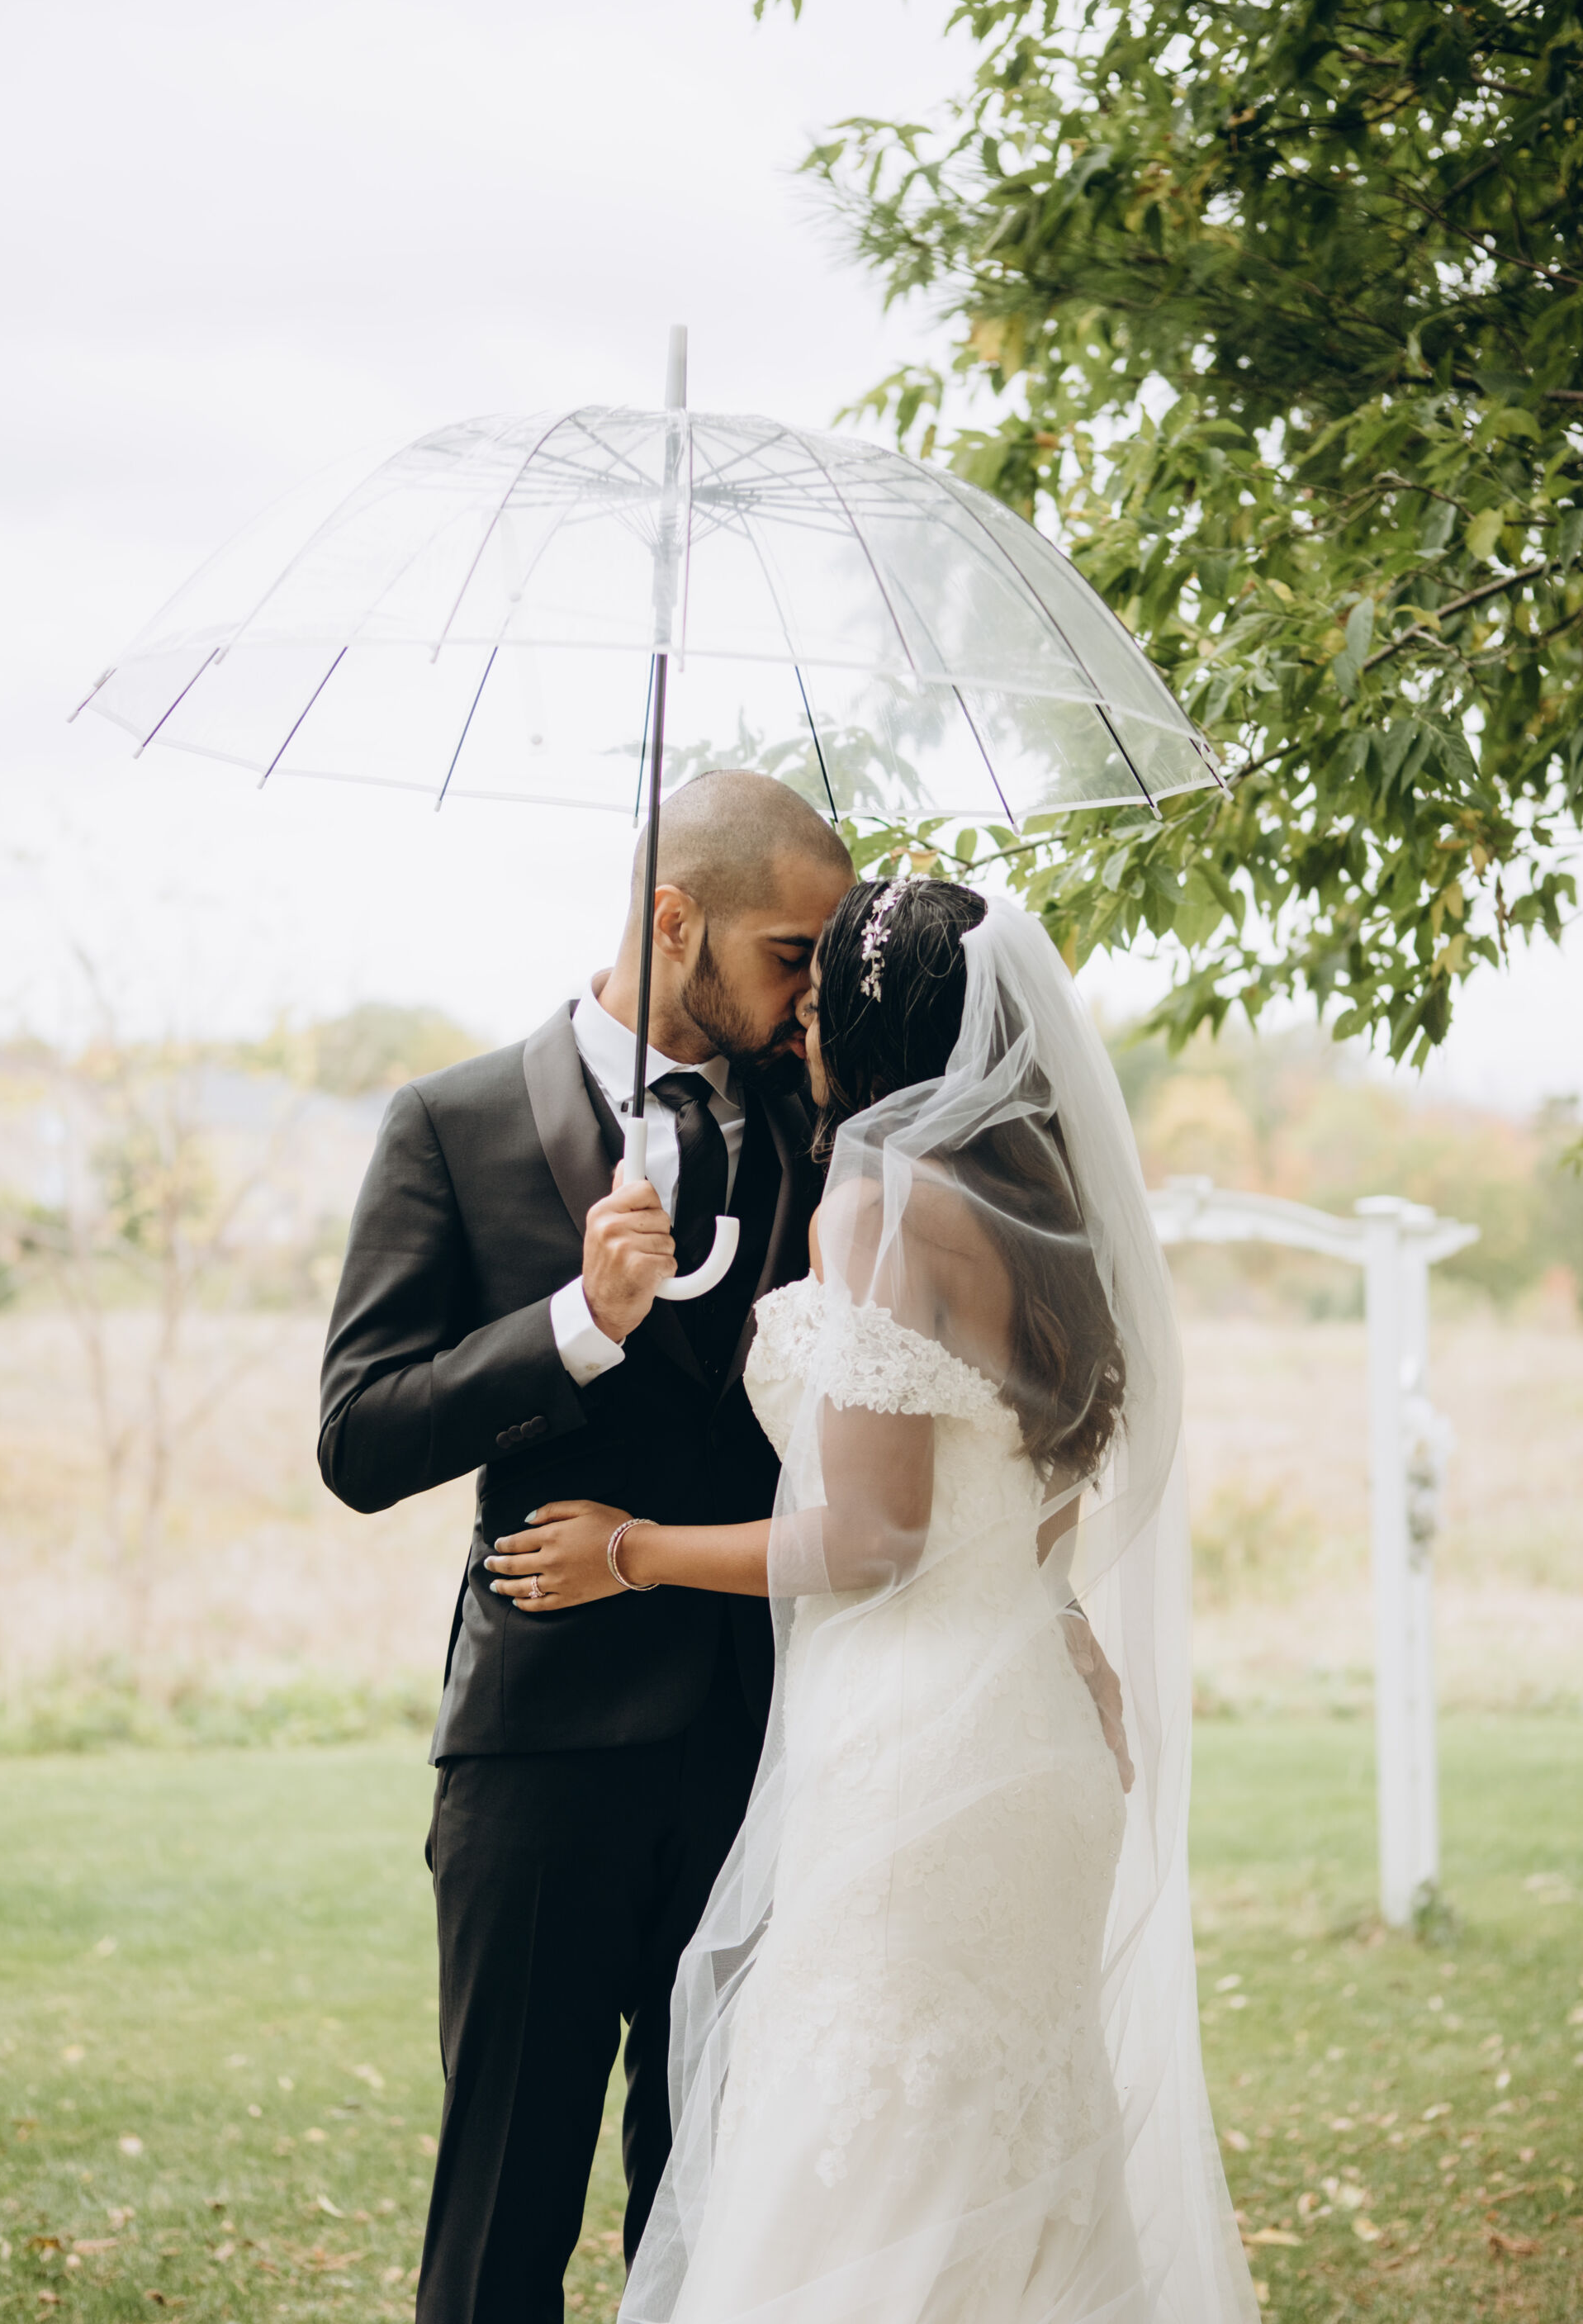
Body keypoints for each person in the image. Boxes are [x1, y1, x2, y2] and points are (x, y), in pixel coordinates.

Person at [489, 880, 1260, 2323]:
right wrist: (1064, 1625)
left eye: (818, 995)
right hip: (1032, 1727)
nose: (798, 1026)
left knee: (877, 2161)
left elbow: (879, 1531)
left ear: (870, 1026)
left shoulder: (878, 1204)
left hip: (924, 1749)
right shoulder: (1051, 1218)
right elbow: (1027, 1488)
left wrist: (632, 1550)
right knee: (1010, 2145)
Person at [317, 771, 854, 2324]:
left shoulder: (824, 1133)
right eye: (789, 953)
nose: (808, 991)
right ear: (674, 920)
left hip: (763, 1744)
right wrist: (574, 1323)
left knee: (718, 2215)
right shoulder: (452, 1123)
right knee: (504, 2211)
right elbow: (360, 1438)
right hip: (540, 1747)